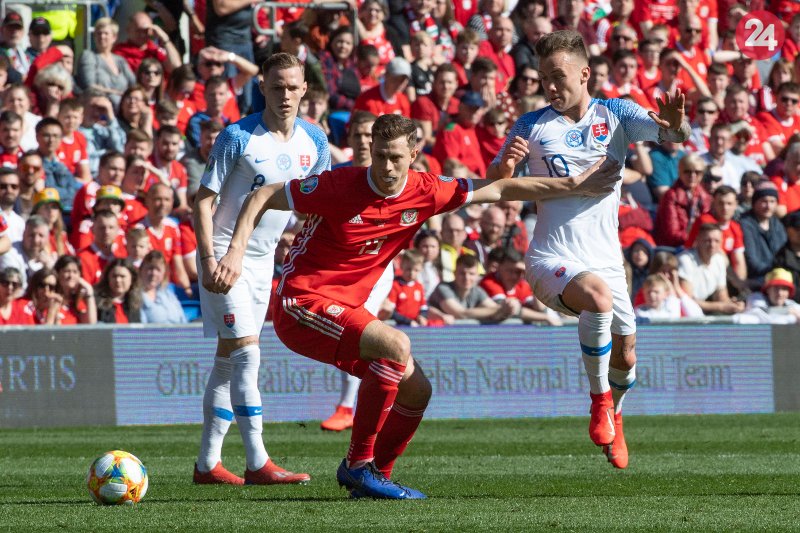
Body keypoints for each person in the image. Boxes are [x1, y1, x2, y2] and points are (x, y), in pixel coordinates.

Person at [208, 113, 621, 499]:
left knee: (418, 389)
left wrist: (575, 185)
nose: (387, 168)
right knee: (396, 345)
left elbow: (499, 189)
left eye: (396, 158)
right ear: (370, 150)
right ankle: (357, 466)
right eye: (380, 156)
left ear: (413, 155)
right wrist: (235, 252)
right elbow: (263, 194)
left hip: (346, 308)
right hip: (301, 303)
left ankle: (378, 474)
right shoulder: (338, 185)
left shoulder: (426, 189)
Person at [486, 30, 691, 470]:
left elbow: (676, 135)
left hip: (606, 260)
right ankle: (599, 401)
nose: (550, 86)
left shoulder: (616, 114)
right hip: (551, 257)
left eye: (558, 76)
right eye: (544, 78)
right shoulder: (530, 125)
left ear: (584, 74)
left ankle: (616, 412)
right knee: (596, 299)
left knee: (627, 355)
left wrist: (676, 125)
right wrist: (504, 166)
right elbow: (495, 185)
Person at [193, 53, 329, 486]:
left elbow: (314, 205)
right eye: (276, 87)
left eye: (292, 87)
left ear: (304, 89)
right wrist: (210, 259)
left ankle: (207, 465)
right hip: (224, 254)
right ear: (262, 88)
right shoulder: (237, 136)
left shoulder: (315, 140)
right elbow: (202, 201)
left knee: (228, 360)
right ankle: (258, 462)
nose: (284, 95)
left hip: (263, 259)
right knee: (247, 353)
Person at [321, 109, 396, 433]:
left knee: (356, 329)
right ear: (349, 139)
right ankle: (382, 397)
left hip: (376, 269)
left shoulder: (390, 176)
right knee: (352, 335)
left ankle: (348, 407)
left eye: (370, 136)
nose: (364, 142)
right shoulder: (338, 177)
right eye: (358, 135)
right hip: (341, 268)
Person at [677, 223, 745, 315]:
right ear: (698, 240)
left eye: (716, 241)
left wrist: (732, 304)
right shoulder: (685, 260)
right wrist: (722, 306)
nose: (712, 245)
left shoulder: (720, 260)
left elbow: (721, 295)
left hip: (700, 310)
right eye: (707, 240)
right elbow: (688, 301)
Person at [139, 250, 187, 324]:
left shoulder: (168, 294)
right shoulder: (136, 296)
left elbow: (183, 320)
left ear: (164, 273)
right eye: (150, 268)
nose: (154, 273)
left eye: (158, 269)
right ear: (141, 270)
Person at [94, 258, 141, 324]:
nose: (118, 280)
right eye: (114, 276)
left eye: (122, 276)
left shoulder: (135, 304)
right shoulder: (97, 302)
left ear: (132, 279)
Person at [53, 254, 97, 324]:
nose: (71, 276)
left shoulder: (77, 302)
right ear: (58, 273)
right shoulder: (51, 299)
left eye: (75, 272)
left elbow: (91, 324)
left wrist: (89, 291)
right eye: (67, 271)